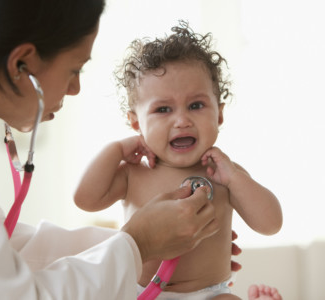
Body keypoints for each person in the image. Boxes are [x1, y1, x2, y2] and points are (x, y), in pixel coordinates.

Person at [0, 1, 230, 299]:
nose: (75, 89)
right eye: (74, 69)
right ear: (22, 64)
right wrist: (140, 244)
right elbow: (5, 293)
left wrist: (170, 240)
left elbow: (1, 250)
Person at [74, 21, 283, 299]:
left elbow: (270, 225)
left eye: (196, 105)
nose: (182, 121)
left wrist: (235, 179)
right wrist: (115, 150)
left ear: (219, 115)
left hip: (210, 293)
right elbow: (85, 199)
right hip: (143, 291)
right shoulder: (133, 174)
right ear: (136, 122)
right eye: (163, 109)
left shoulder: (225, 174)